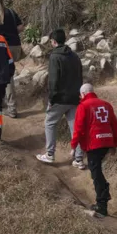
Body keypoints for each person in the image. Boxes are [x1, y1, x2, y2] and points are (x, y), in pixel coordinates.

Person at [36, 29, 85, 168]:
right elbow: (80, 76)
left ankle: (50, 154)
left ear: (53, 41)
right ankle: (79, 159)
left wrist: (51, 99)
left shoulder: (54, 57)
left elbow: (53, 80)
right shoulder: (75, 56)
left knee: (50, 123)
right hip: (75, 98)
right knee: (75, 129)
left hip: (60, 99)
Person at [71, 83, 117, 218]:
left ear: (82, 94)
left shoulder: (83, 106)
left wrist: (73, 145)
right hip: (107, 142)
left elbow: (79, 128)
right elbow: (115, 126)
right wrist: (114, 144)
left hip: (94, 143)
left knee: (96, 172)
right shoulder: (106, 105)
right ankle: (103, 197)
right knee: (97, 170)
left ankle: (102, 204)